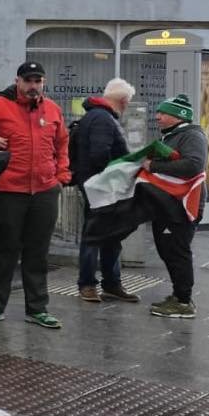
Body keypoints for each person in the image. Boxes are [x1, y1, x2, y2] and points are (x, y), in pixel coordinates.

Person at [0, 61, 68, 329]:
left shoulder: (52, 109)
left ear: (43, 83)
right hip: (9, 189)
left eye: (38, 81)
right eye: (28, 81)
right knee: (6, 249)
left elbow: (62, 142)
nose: (33, 86)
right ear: (18, 81)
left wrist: (61, 176)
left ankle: (38, 308)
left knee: (38, 251)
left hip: (44, 190)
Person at [70, 79, 139, 304]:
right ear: (123, 101)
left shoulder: (95, 115)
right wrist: (119, 173)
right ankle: (89, 284)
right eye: (128, 102)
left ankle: (111, 283)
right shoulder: (102, 118)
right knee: (95, 235)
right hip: (101, 189)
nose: (127, 106)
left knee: (110, 235)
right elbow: (100, 155)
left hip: (97, 186)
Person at [149, 93, 208, 318]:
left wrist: (153, 165)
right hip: (167, 205)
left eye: (163, 113)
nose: (158, 117)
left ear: (177, 116)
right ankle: (178, 294)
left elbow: (193, 165)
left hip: (182, 206)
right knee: (168, 250)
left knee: (177, 252)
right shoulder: (172, 136)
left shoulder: (192, 136)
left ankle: (183, 302)